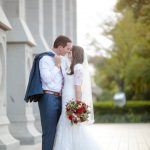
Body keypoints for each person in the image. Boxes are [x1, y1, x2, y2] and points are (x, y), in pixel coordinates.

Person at [53, 45, 101, 150]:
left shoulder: (78, 67)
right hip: (66, 98)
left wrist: (78, 105)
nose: (69, 52)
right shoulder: (71, 66)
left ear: (76, 54)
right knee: (66, 124)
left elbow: (78, 87)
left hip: (72, 99)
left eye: (71, 51)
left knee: (71, 124)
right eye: (69, 50)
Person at [38, 35, 72, 150]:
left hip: (60, 98)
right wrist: (57, 66)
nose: (69, 51)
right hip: (48, 97)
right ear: (61, 47)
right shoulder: (45, 59)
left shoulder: (62, 59)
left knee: (59, 132)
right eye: (68, 49)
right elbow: (46, 79)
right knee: (49, 132)